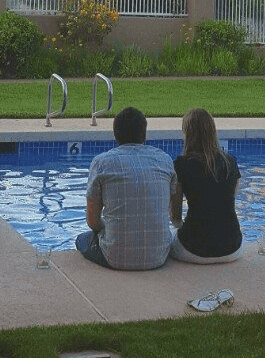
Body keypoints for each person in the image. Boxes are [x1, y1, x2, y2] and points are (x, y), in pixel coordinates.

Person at [76, 106, 176, 270]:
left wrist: (107, 230)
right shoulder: (164, 160)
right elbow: (168, 210)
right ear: (144, 133)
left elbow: (92, 221)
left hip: (115, 257)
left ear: (116, 134)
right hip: (159, 255)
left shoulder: (102, 163)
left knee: (82, 239)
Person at [170, 108, 242, 264]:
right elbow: (227, 200)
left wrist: (183, 228)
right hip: (233, 247)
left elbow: (175, 218)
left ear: (187, 133)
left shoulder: (181, 165)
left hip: (194, 250)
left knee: (169, 234)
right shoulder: (230, 163)